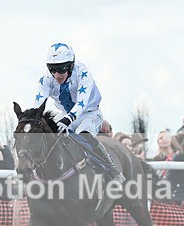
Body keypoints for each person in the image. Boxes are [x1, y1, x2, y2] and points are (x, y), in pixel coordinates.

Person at [34, 42, 125, 182]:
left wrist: (68, 119)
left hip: (89, 112)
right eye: (52, 69)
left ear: (71, 66)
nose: (57, 75)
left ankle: (112, 169)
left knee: (84, 136)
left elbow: (81, 104)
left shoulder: (83, 73)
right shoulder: (46, 79)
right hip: (66, 113)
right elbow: (38, 105)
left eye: (61, 69)